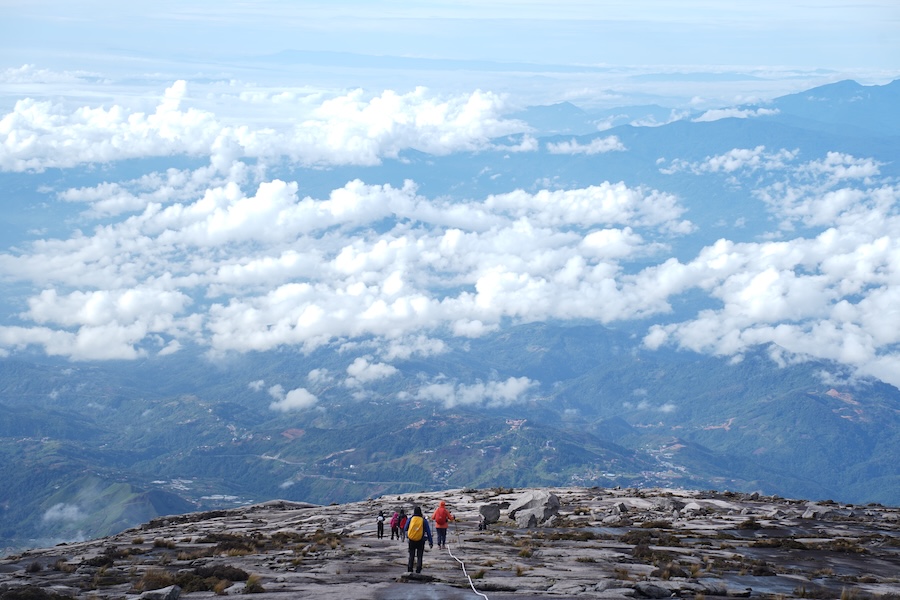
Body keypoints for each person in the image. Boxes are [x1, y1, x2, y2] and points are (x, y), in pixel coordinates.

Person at [405, 505, 433, 573]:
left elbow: (405, 528)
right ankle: (418, 569)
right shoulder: (423, 520)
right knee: (419, 555)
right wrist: (430, 542)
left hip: (411, 540)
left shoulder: (411, 519)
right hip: (421, 540)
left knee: (411, 555)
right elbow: (428, 532)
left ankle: (410, 568)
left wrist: (408, 536)